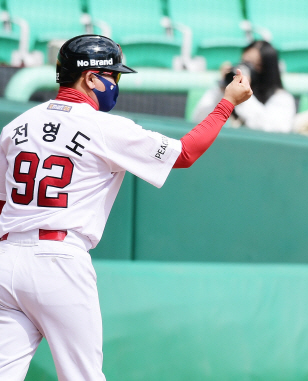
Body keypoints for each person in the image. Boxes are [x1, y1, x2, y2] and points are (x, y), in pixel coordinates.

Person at [0, 34, 251, 380]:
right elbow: (185, 153)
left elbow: (2, 202)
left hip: (7, 258)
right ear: (91, 77)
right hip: (58, 261)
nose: (116, 83)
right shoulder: (104, 128)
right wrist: (226, 104)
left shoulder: (15, 126)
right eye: (112, 76)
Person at [192, 40, 296, 133]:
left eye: (256, 65)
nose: (248, 68)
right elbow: (198, 121)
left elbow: (275, 129)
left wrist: (243, 96)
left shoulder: (282, 98)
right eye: (245, 62)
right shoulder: (227, 90)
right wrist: (223, 90)